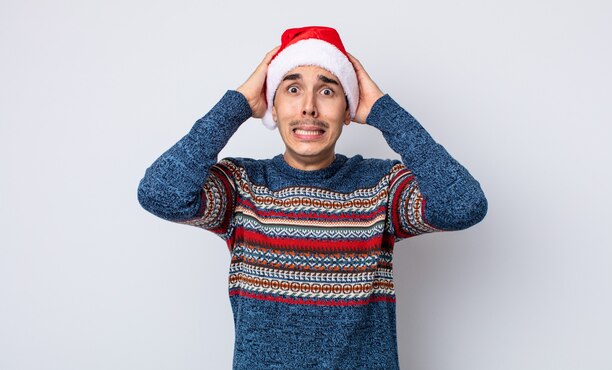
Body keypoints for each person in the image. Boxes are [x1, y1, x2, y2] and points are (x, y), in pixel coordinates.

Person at [137, 26, 488, 370]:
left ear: (348, 109)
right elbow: (161, 193)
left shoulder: (381, 186)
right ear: (273, 107)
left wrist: (384, 111)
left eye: (327, 91)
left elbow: (462, 205)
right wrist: (238, 105)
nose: (308, 107)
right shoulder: (242, 186)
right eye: (292, 89)